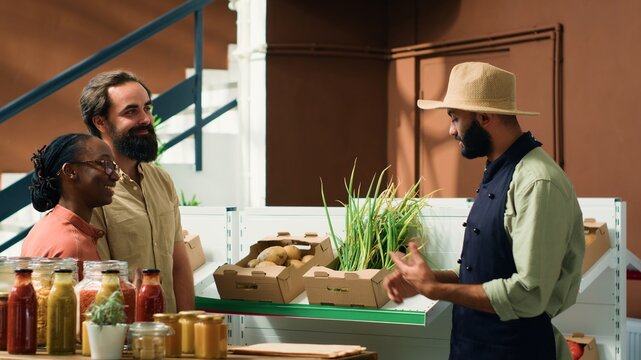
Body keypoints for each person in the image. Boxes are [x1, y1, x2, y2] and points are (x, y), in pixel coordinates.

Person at [383, 62, 585, 360]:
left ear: (485, 117)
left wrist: (438, 291)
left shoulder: (536, 182)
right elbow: (487, 273)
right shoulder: (499, 170)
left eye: (454, 118)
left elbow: (529, 295)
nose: (451, 130)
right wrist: (427, 281)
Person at [79, 70, 194, 312]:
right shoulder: (94, 190)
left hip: (169, 330)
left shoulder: (162, 181)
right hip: (123, 336)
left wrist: (187, 323)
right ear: (100, 122)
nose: (145, 119)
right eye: (131, 111)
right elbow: (98, 279)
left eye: (147, 108)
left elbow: (179, 264)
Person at [21, 133, 120, 278]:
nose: (115, 176)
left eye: (113, 167)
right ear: (70, 171)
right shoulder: (74, 247)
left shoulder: (45, 226)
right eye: (105, 164)